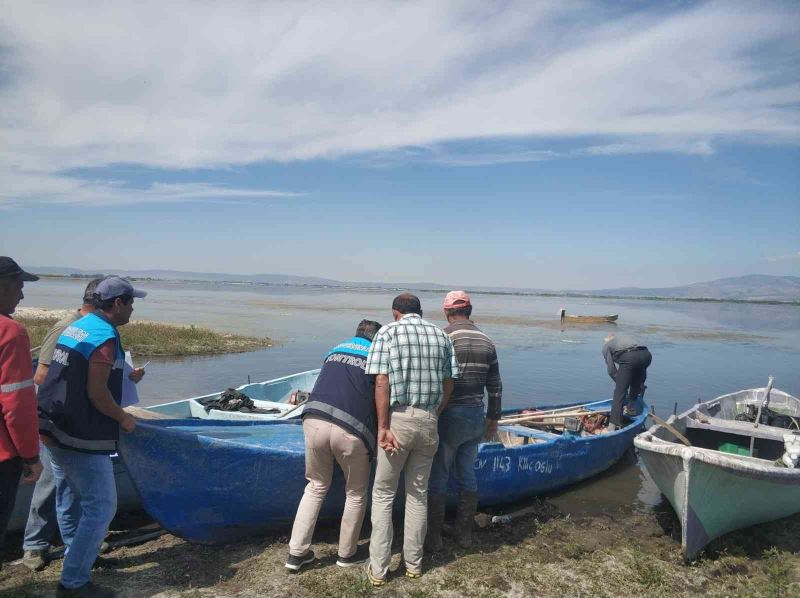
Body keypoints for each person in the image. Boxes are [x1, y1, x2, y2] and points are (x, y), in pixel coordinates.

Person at [22, 278, 145, 571]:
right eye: (131, 303)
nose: (132, 310)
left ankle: (75, 555)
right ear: (117, 304)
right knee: (101, 508)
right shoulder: (104, 334)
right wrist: (124, 418)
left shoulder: (79, 326)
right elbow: (97, 393)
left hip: (55, 425)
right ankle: (75, 577)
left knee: (66, 494)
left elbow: (69, 376)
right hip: (82, 434)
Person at [364, 293, 459, 586]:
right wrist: (434, 412)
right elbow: (449, 382)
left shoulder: (387, 332)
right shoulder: (441, 336)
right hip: (428, 420)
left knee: (383, 494)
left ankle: (378, 569)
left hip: (398, 420)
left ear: (396, 312)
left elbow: (381, 381)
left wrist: (383, 426)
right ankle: (414, 564)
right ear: (420, 311)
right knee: (417, 495)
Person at [285, 319, 382, 572]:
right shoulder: (377, 355)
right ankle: (346, 554)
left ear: (357, 334)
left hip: (314, 419)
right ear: (378, 338)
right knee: (356, 493)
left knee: (315, 486)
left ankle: (296, 554)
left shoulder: (335, 350)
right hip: (350, 429)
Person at [426, 291, 502, 551]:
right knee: (467, 475)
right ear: (470, 311)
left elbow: (434, 379)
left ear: (447, 312)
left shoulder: (443, 337)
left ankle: (433, 538)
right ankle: (464, 534)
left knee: (439, 474)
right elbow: (495, 387)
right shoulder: (487, 341)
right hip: (475, 416)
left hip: (449, 415)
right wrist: (493, 419)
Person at [0, 257, 43, 569]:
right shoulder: (11, 332)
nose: (22, 294)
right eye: (19, 285)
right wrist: (31, 457)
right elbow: (17, 405)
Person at [602, 333, 652, 431]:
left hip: (630, 358)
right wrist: (641, 382)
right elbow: (640, 362)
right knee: (636, 381)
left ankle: (613, 425)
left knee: (619, 392)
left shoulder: (607, 346)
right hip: (647, 355)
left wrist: (621, 383)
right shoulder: (627, 339)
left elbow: (611, 369)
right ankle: (631, 408)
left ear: (607, 340)